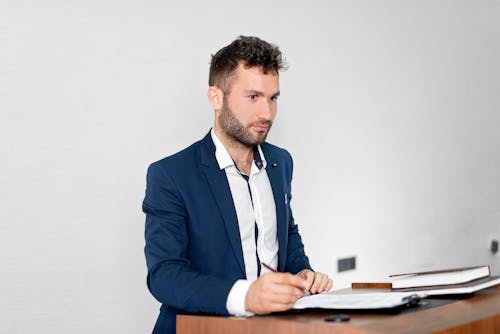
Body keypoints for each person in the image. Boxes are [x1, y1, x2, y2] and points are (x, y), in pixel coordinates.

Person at [143, 36, 333, 334]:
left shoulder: (280, 162)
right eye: (253, 97)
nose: (267, 113)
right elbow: (164, 276)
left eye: (273, 98)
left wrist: (302, 274)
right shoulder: (170, 174)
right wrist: (247, 297)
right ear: (216, 97)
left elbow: (285, 237)